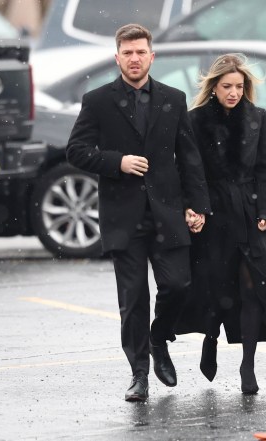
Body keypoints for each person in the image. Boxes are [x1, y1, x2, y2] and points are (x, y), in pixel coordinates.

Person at [65, 24, 210, 402]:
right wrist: (118, 162)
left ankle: (159, 338)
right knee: (133, 300)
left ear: (151, 56)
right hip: (123, 217)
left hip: (168, 212)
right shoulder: (97, 100)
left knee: (179, 285)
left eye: (140, 52)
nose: (134, 59)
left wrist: (197, 205)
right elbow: (76, 150)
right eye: (127, 53)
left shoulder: (173, 99)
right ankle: (139, 374)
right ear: (117, 57)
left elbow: (190, 158)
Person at [174, 53, 266, 394]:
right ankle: (212, 337)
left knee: (252, 289)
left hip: (249, 213)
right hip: (213, 212)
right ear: (213, 87)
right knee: (218, 286)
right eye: (227, 86)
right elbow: (191, 171)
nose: (234, 92)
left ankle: (248, 365)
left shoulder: (256, 118)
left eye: (239, 86)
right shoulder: (194, 120)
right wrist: (194, 208)